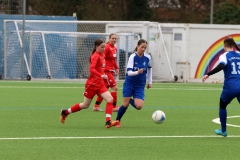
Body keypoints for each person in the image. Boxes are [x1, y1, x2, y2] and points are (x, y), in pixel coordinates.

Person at [60, 39, 117, 128]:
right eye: (102, 47)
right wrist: (101, 75)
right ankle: (65, 112)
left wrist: (107, 72)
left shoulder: (102, 55)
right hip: (92, 84)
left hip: (100, 84)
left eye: (104, 47)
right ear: (96, 47)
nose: (103, 49)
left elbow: (100, 68)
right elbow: (91, 69)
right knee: (85, 105)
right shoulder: (95, 56)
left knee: (110, 99)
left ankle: (108, 121)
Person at [202, 36, 240, 137]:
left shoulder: (224, 55)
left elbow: (221, 66)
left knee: (222, 106)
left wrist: (208, 74)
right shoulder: (239, 54)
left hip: (230, 87)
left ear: (225, 45)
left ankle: (223, 131)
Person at [114, 39, 152, 127]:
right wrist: (137, 72)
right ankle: (117, 121)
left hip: (140, 85)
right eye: (142, 47)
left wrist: (150, 82)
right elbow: (129, 73)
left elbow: (150, 69)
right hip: (130, 83)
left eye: (145, 48)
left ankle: (129, 100)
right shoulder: (132, 57)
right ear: (137, 46)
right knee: (125, 104)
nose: (143, 49)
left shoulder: (148, 57)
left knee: (139, 106)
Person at [93, 33, 120, 112]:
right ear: (109, 38)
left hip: (111, 71)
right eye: (113, 38)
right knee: (115, 88)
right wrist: (103, 70)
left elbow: (113, 60)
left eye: (115, 38)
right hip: (106, 71)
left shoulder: (114, 48)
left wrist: (117, 67)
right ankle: (114, 106)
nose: (114, 40)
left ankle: (96, 105)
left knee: (105, 89)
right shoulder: (107, 47)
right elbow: (102, 58)